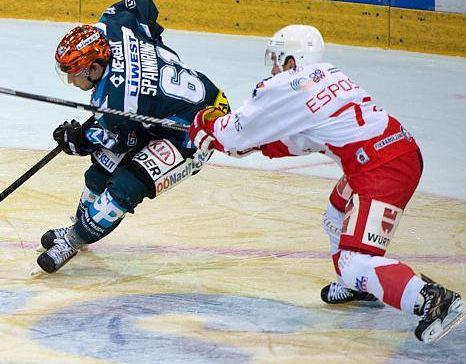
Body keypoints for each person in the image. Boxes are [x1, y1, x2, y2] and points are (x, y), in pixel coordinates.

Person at [188, 24, 465, 343]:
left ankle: (430, 299)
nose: (274, 67)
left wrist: (203, 125)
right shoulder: (326, 74)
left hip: (383, 168)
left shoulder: (288, 86)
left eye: (278, 59)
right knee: (336, 213)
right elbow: (302, 139)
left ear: (293, 60)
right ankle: (356, 284)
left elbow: (230, 133)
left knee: (353, 261)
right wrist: (251, 145)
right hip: (387, 153)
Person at [35, 0, 229, 275]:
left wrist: (77, 141)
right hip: (158, 111)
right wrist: (154, 48)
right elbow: (143, 4)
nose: (69, 79)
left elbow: (123, 138)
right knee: (100, 170)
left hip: (195, 130)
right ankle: (79, 225)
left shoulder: (114, 104)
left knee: (126, 187)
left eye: (74, 73)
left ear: (95, 67)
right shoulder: (113, 25)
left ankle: (73, 241)